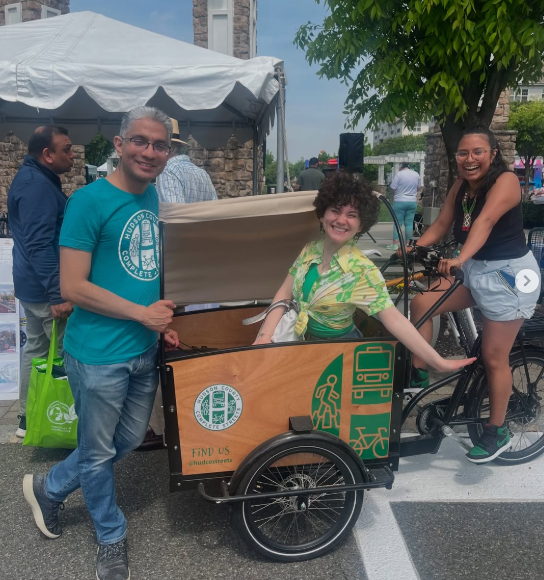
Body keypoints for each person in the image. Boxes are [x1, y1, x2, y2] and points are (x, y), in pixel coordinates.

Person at [22, 106, 179, 580]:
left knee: (125, 440)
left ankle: (50, 486)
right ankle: (110, 535)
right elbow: (72, 286)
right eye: (141, 141)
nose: (150, 152)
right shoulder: (87, 202)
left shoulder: (151, 196)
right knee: (97, 453)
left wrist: (160, 319)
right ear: (119, 144)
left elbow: (144, 271)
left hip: (143, 348)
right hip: (97, 356)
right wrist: (141, 314)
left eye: (160, 145)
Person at [404, 125, 541, 464]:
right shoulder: (461, 186)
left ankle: (498, 431)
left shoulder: (505, 181)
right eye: (463, 153)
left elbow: (485, 221)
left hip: (509, 276)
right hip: (477, 269)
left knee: (494, 357)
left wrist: (460, 258)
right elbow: (441, 224)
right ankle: (418, 374)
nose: (469, 159)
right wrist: (412, 248)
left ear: (492, 154)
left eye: (477, 152)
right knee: (421, 303)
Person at [254, 172, 476, 379]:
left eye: (352, 215)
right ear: (322, 214)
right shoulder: (310, 250)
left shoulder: (362, 270)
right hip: (303, 344)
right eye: (335, 211)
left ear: (361, 225)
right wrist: (263, 338)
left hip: (341, 354)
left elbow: (395, 320)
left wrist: (437, 361)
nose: (341, 220)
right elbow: (284, 295)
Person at [141, 119, 218, 451]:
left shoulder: (168, 175)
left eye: (158, 146)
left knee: (173, 346)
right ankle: (196, 416)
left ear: (168, 148)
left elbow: (173, 224)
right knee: (200, 344)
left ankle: (167, 427)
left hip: (180, 273)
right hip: (205, 269)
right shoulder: (201, 174)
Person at [8, 126, 75, 438]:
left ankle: (28, 417)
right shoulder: (36, 185)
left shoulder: (34, 178)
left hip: (32, 285)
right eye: (66, 149)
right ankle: (63, 419)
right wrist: (57, 294)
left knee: (36, 349)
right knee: (64, 350)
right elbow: (39, 244)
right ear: (47, 154)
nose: (72, 155)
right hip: (45, 290)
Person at [156, 119, 216, 203]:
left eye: (159, 146)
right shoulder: (203, 174)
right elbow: (214, 206)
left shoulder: (168, 171)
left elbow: (174, 210)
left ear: (171, 148)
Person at [387, 162, 422, 251]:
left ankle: (395, 244)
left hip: (400, 201)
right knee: (409, 223)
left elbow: (393, 187)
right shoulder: (416, 174)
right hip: (412, 202)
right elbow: (419, 188)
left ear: (401, 167)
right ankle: (408, 243)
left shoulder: (399, 174)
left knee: (397, 223)